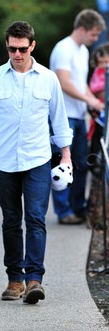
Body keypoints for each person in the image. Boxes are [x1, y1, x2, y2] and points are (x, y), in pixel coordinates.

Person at [0, 21, 73, 304]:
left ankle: (34, 279)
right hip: (4, 161)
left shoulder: (48, 78)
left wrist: (66, 155)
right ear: (7, 46)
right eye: (12, 48)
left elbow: (59, 119)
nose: (17, 54)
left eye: (22, 49)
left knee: (36, 219)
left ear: (32, 46)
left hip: (38, 159)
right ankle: (14, 279)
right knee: (12, 221)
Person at [49, 9, 106, 225]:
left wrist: (95, 101)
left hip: (79, 115)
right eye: (93, 34)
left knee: (81, 163)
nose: (95, 39)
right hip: (62, 116)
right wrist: (90, 100)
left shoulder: (82, 51)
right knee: (62, 164)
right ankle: (64, 212)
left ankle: (78, 208)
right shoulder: (64, 48)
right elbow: (63, 82)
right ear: (82, 29)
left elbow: (81, 84)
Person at [87, 42, 109, 174]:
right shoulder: (98, 72)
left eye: (106, 61)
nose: (104, 65)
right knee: (98, 139)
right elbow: (94, 88)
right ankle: (95, 166)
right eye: (101, 62)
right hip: (100, 114)